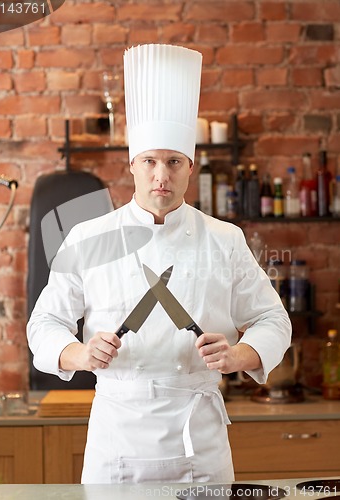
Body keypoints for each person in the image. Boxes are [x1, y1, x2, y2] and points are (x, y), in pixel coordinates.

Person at [27, 44, 292, 484]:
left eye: (173, 162)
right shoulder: (87, 239)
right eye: (150, 161)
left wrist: (236, 355)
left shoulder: (224, 240)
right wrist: (80, 353)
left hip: (200, 447)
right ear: (132, 165)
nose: (161, 176)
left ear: (191, 166)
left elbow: (273, 321)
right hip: (117, 445)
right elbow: (44, 325)